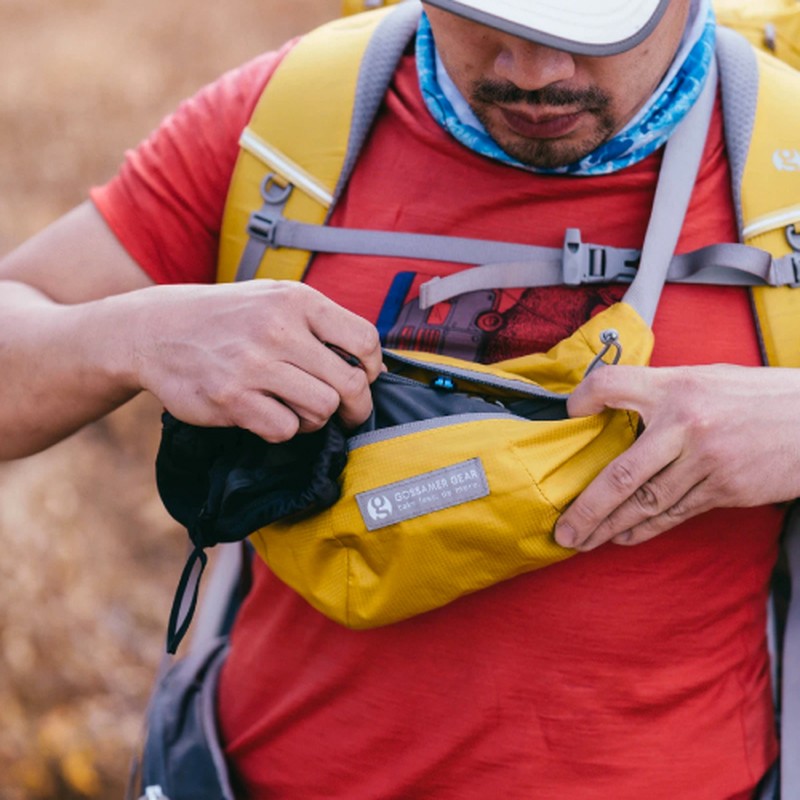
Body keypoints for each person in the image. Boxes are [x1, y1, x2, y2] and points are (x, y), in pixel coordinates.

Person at [0, 0, 797, 796]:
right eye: (486, 22)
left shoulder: (780, 160)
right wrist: (132, 335)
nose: (534, 72)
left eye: (587, 31)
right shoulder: (293, 122)